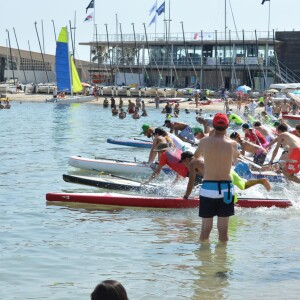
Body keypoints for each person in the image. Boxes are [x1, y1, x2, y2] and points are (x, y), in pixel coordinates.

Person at [193, 113, 239, 242]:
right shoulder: (232, 143)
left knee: (205, 231)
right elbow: (235, 159)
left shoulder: (204, 142)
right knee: (223, 232)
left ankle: (205, 260)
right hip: (226, 189)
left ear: (213, 125)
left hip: (208, 188)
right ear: (227, 126)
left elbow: (196, 157)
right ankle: (221, 260)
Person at [180, 151, 271, 199]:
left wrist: (186, 197)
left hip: (223, 177)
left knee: (226, 198)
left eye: (183, 162)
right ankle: (261, 181)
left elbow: (191, 181)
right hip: (228, 171)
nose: (183, 165)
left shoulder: (192, 163)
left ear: (187, 159)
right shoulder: (200, 158)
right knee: (243, 186)